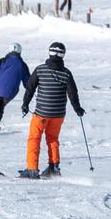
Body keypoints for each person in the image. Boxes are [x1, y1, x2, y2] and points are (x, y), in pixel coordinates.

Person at [19, 42, 85, 178]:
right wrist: (77, 108)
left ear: (49, 52)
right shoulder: (66, 73)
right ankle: (53, 167)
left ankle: (32, 169)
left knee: (34, 139)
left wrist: (25, 104)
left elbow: (30, 88)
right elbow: (73, 93)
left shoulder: (40, 69)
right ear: (63, 55)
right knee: (53, 138)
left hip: (41, 114)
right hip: (58, 115)